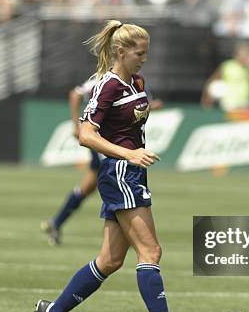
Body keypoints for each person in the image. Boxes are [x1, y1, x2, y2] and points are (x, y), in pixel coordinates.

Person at [24, 20, 209, 312]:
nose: (145, 59)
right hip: (120, 172)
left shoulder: (136, 81)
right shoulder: (106, 85)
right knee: (151, 251)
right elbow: (86, 135)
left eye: (147, 53)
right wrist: (129, 153)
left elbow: (132, 115)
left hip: (131, 172)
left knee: (109, 261)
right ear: (121, 52)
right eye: (140, 53)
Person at [41, 76, 163, 246]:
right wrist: (76, 126)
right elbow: (75, 94)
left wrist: (150, 107)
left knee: (89, 186)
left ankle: (57, 223)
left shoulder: (133, 81)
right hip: (105, 143)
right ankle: (119, 232)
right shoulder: (104, 81)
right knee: (110, 183)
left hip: (111, 144)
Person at [200, 41, 249, 112]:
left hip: (245, 105)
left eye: (247, 54)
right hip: (228, 105)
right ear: (236, 54)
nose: (244, 56)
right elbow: (211, 82)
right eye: (242, 53)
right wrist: (206, 102)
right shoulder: (227, 66)